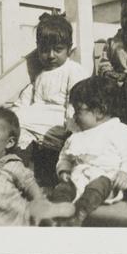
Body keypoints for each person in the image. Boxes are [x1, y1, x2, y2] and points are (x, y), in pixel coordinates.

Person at [48, 76, 127, 226]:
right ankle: (57, 213)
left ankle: (80, 214)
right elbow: (64, 156)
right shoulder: (76, 135)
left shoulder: (118, 130)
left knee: (98, 186)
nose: (74, 116)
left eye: (78, 110)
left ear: (99, 111)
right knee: (62, 189)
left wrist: (126, 172)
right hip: (78, 179)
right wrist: (63, 170)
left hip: (107, 180)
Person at [10, 12, 88, 187]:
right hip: (38, 121)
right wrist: (14, 114)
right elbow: (26, 100)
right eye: (44, 50)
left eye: (57, 49)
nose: (51, 55)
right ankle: (18, 176)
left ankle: (23, 178)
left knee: (22, 122)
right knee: (17, 125)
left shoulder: (72, 70)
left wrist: (71, 128)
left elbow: (76, 101)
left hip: (60, 121)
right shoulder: (40, 75)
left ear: (69, 49)